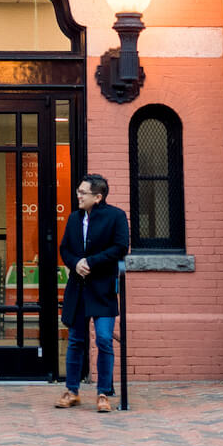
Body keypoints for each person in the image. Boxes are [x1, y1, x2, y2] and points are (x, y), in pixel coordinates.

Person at [54, 172, 128, 413]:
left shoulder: (116, 217)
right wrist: (75, 263)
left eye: (82, 192)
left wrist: (91, 262)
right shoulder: (74, 219)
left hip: (103, 289)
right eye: (78, 191)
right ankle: (72, 391)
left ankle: (103, 393)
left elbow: (119, 247)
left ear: (98, 196)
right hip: (78, 288)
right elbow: (64, 248)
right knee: (75, 341)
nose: (78, 195)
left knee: (104, 340)